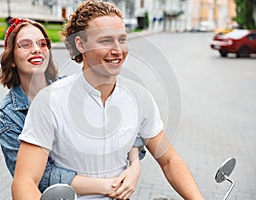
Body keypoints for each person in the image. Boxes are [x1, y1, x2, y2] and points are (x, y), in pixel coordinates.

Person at [12, 0, 204, 199]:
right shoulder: (50, 100)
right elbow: (24, 182)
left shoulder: (139, 97)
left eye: (122, 39)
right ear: (81, 44)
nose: (118, 50)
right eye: (105, 41)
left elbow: (169, 160)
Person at [0, 17, 142, 199]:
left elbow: (115, 127)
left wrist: (135, 165)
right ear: (12, 59)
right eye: (25, 44)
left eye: (42, 44)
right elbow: (38, 177)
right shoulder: (7, 112)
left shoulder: (72, 87)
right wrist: (109, 185)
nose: (36, 49)